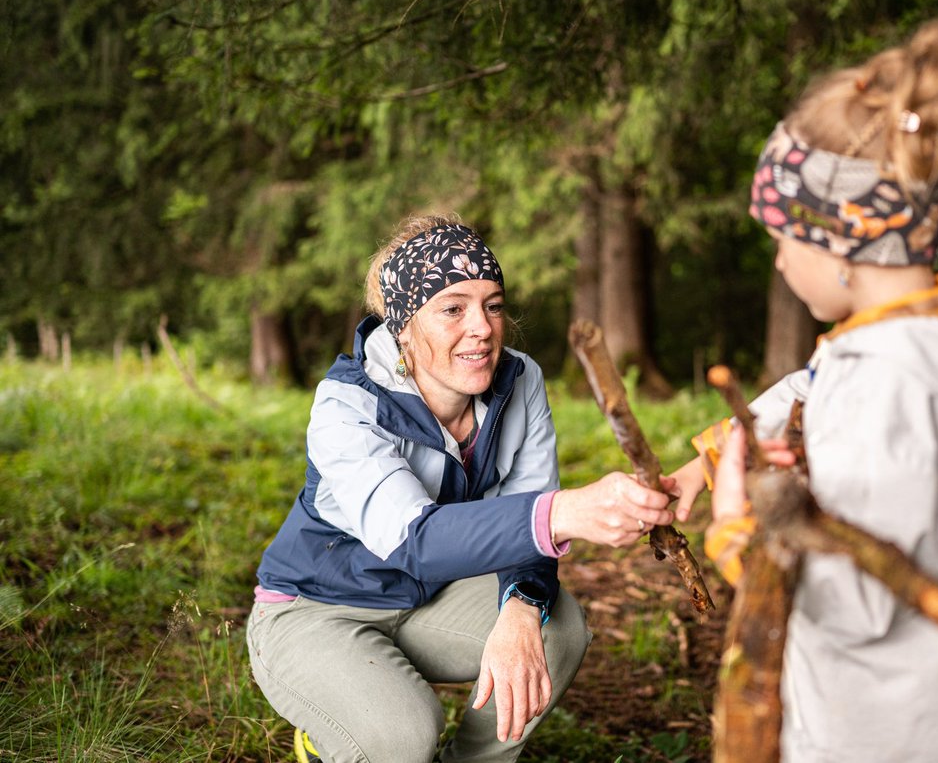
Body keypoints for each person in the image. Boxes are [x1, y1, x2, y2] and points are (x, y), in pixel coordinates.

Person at [671, 20, 938, 761]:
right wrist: (712, 459)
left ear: (843, 241)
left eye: (784, 240)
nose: (782, 266)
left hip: (869, 731)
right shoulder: (933, 340)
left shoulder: (884, 384)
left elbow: (852, 600)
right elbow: (811, 388)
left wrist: (735, 531)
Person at [246, 215, 676, 763]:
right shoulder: (346, 405)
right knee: (403, 738)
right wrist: (560, 514)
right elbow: (417, 541)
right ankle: (336, 730)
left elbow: (525, 521)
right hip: (318, 608)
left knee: (556, 629)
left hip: (432, 596)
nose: (482, 327)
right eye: (453, 308)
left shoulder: (520, 381)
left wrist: (521, 605)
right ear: (404, 327)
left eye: (492, 305)